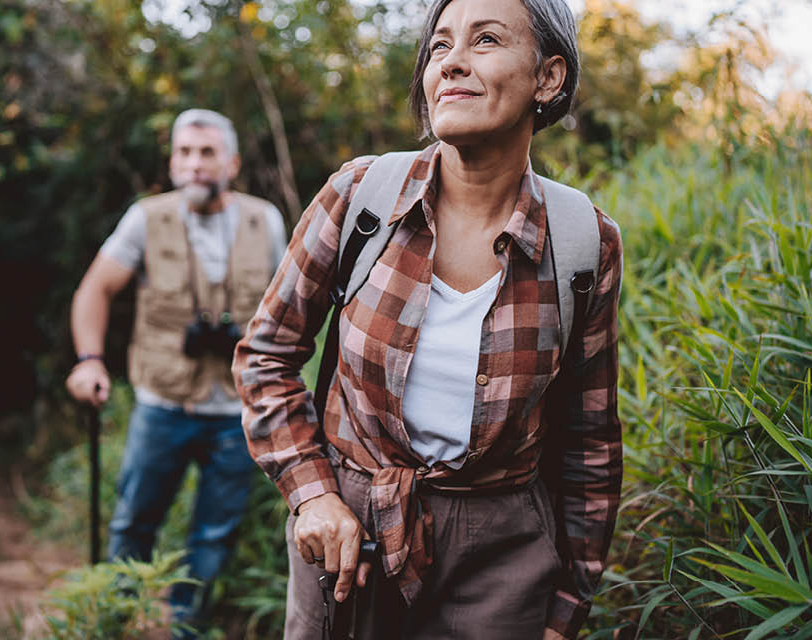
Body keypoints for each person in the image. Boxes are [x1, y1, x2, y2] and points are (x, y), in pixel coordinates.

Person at [232, 0, 622, 638]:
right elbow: (265, 355)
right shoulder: (361, 197)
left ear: (548, 78)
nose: (452, 64)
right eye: (439, 47)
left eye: (486, 40)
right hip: (348, 541)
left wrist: (567, 608)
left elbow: (591, 441)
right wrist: (314, 493)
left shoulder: (583, 243)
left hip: (503, 555)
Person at [65, 108, 287, 632]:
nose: (195, 165)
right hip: (162, 404)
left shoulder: (266, 220)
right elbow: (94, 289)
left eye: (207, 153)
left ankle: (188, 629)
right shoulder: (147, 218)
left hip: (238, 411)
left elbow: (288, 309)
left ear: (230, 163)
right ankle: (117, 620)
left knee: (213, 536)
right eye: (185, 153)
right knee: (133, 523)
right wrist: (89, 361)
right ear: (172, 162)